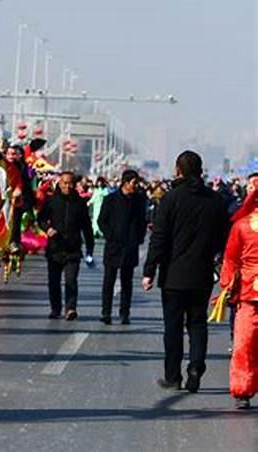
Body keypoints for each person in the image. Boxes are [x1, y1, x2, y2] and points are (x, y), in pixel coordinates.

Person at [141, 151, 229, 392]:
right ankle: (196, 366)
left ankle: (173, 375)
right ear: (200, 170)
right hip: (201, 273)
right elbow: (224, 236)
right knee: (198, 324)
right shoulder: (215, 200)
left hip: (173, 275)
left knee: (173, 327)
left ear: (178, 170)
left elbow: (159, 238)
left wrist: (149, 270)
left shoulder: (170, 199)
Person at [218, 174, 258, 409]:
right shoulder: (241, 226)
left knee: (244, 343)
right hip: (247, 293)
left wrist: (227, 285)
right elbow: (231, 260)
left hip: (247, 291)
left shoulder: (241, 225)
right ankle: (242, 389)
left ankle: (243, 390)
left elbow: (230, 261)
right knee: (243, 343)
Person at [38, 171, 94, 320]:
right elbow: (41, 219)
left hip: (73, 248)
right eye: (64, 183)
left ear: (74, 185)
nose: (67, 186)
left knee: (71, 280)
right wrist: (47, 228)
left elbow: (87, 227)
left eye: (70, 183)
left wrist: (90, 248)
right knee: (54, 281)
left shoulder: (80, 204)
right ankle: (55, 308)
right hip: (55, 248)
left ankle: (70, 308)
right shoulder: (52, 201)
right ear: (59, 184)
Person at [97, 169, 148, 325]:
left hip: (130, 246)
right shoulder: (110, 200)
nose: (136, 186)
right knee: (109, 281)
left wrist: (139, 238)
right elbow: (101, 221)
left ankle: (124, 313)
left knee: (127, 282)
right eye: (134, 183)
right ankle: (106, 312)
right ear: (125, 183)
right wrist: (110, 235)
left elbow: (142, 221)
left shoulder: (139, 200)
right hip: (113, 246)